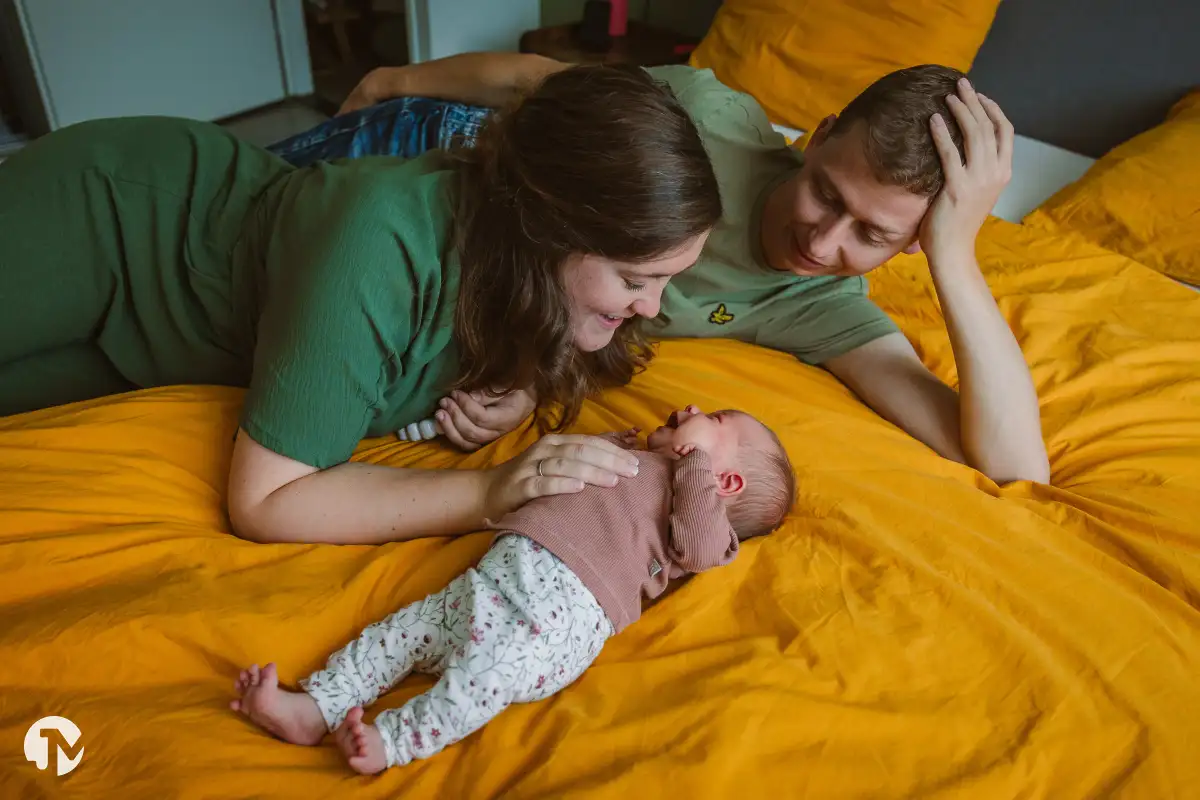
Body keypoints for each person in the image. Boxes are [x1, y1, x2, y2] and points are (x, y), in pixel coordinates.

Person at [0, 65, 723, 544]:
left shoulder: (522, 275)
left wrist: (523, 384)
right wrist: (488, 493)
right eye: (634, 280)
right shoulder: (379, 244)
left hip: (160, 343)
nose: (652, 307)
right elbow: (268, 500)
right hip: (114, 222)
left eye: (666, 280)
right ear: (544, 231)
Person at [271, 55, 1051, 485]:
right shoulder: (704, 116)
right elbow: (535, 88)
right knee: (248, 217)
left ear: (915, 243)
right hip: (433, 149)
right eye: (825, 192)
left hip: (459, 266)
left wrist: (956, 257)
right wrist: (392, 83)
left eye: (872, 234)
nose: (822, 237)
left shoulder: (820, 309)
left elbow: (1015, 466)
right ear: (818, 134)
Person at [229, 404, 795, 774]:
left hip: (557, 617)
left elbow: (695, 547)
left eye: (717, 420)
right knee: (398, 635)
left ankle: (393, 743)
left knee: (480, 680)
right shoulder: (642, 457)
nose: (695, 408)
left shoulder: (705, 522)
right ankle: (315, 707)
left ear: (727, 481)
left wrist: (692, 461)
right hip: (488, 584)